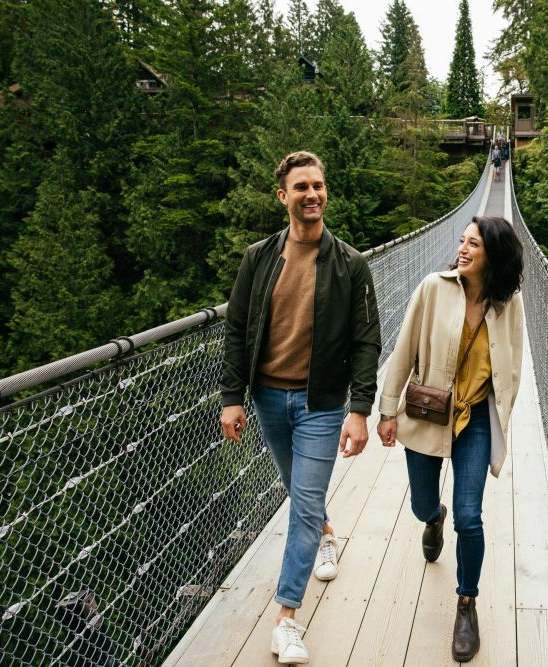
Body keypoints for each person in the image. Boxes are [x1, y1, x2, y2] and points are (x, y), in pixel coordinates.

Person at [220, 151, 381, 664]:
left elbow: (366, 341)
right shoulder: (258, 258)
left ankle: (286, 618)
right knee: (300, 492)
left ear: (324, 191)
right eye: (301, 187)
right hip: (267, 397)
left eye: (318, 185)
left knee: (303, 503)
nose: (312, 194)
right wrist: (230, 397)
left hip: (322, 403)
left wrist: (360, 408)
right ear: (282, 196)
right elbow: (237, 330)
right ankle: (328, 534)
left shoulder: (351, 264)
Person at [376, 216, 524, 663]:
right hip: (427, 410)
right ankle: (432, 517)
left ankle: (466, 604)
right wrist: (387, 409)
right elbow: (403, 349)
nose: (462, 249)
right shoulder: (432, 288)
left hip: (476, 418)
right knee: (424, 504)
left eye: (473, 244)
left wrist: (502, 409)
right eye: (462, 241)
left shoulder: (507, 304)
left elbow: (513, 361)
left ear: (493, 255)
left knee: (470, 517)